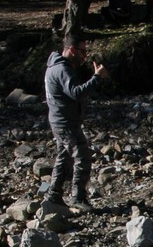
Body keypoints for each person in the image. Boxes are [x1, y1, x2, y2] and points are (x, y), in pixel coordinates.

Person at [43, 33, 109, 211]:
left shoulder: (54, 67)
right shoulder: (62, 70)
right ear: (71, 50)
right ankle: (78, 197)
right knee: (82, 157)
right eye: (82, 51)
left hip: (59, 121)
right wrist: (97, 77)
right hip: (66, 123)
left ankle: (54, 194)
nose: (84, 56)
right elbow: (76, 92)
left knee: (64, 157)